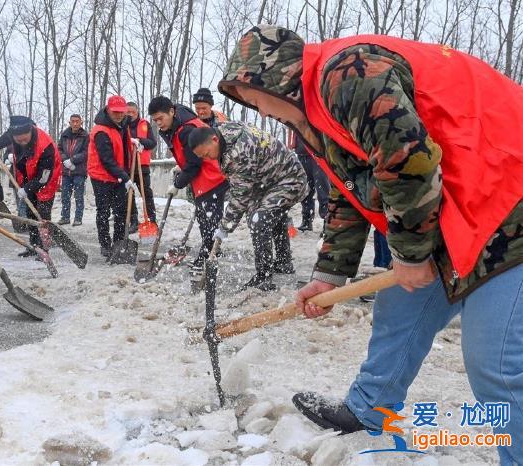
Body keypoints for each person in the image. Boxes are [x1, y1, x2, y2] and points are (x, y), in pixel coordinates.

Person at [219, 24, 523, 464]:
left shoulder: (348, 74)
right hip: (458, 205)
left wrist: (410, 254)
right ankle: (370, 408)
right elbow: (350, 189)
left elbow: (407, 161)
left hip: (507, 198)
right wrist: (329, 275)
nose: (253, 109)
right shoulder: (316, 114)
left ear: (270, 76)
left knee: (497, 365)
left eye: (248, 95)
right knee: (401, 305)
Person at [188, 124, 307, 290]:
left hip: (289, 179)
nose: (208, 159)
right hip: (268, 180)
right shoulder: (224, 132)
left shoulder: (239, 153)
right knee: (270, 213)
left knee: (258, 219)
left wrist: (224, 227)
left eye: (207, 154)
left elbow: (240, 197)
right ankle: (283, 262)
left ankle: (263, 277)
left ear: (214, 139)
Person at [148, 96, 228, 273]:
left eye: (161, 118)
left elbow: (194, 164)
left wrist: (178, 184)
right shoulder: (181, 124)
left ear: (171, 111)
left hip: (211, 178)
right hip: (207, 178)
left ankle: (208, 257)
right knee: (206, 219)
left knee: (209, 222)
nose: (158, 123)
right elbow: (189, 157)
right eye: (155, 120)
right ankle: (210, 253)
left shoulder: (186, 129)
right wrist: (181, 165)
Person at [0, 117, 62, 253]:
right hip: (27, 173)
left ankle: (44, 248)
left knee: (42, 214)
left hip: (47, 178)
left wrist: (28, 188)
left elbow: (43, 178)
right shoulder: (13, 135)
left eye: (25, 139)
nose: (22, 142)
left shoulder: (45, 146)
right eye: (19, 140)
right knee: (30, 213)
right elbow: (5, 138)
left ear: (31, 131)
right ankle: (34, 246)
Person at [87, 95, 140, 258]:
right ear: (107, 110)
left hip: (118, 174)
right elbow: (107, 160)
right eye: (115, 112)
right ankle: (105, 244)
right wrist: (125, 178)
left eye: (121, 112)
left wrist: (132, 142)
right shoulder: (100, 131)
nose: (119, 115)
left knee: (122, 211)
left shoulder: (122, 125)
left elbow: (121, 148)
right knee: (103, 211)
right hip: (101, 176)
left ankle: (119, 243)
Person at [126, 102, 158, 228]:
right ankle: (133, 221)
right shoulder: (122, 125)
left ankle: (151, 220)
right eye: (128, 112)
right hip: (127, 165)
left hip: (142, 165)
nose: (130, 115)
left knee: (146, 194)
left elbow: (152, 143)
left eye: (133, 112)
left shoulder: (145, 124)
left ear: (137, 111)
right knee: (129, 194)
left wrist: (139, 140)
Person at [289, 132, 329, 231]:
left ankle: (327, 223)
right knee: (306, 190)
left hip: (318, 154)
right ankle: (307, 220)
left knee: (323, 191)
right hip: (302, 154)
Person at [57, 114, 89, 226]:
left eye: (77, 121)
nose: (75, 123)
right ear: (69, 122)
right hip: (66, 171)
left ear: (81, 122)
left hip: (79, 171)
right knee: (65, 195)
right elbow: (59, 149)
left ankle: (78, 218)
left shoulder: (85, 136)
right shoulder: (64, 135)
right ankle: (65, 217)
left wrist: (73, 160)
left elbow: (86, 152)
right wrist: (65, 159)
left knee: (78, 196)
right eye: (73, 121)